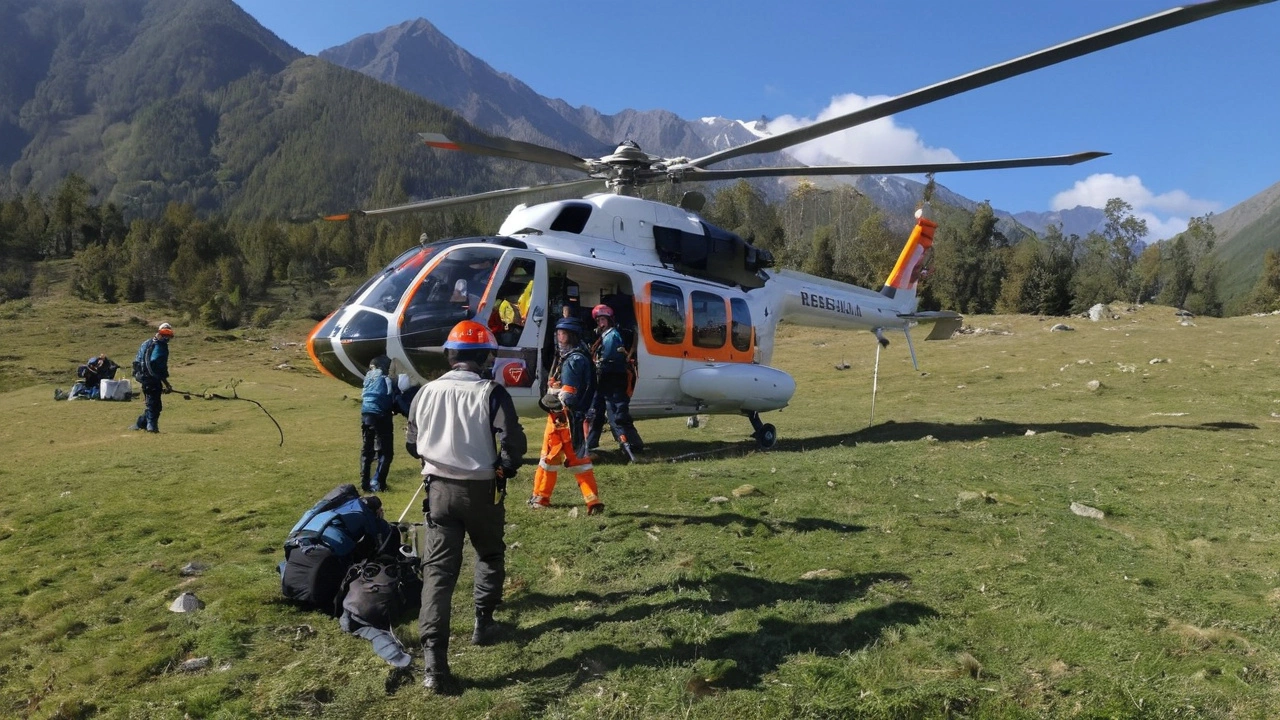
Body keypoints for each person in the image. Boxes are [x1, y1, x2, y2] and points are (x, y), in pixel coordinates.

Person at [404, 320, 526, 693]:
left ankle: (434, 666)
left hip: (438, 491)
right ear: (485, 356)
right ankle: (483, 622)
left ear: (450, 354)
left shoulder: (424, 392)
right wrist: (506, 465)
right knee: (489, 553)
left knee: (438, 575)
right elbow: (513, 442)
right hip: (482, 490)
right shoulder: (491, 392)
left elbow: (412, 444)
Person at [529, 317, 603, 514]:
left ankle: (540, 497)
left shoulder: (573, 360)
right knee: (580, 460)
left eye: (562, 334)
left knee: (549, 459)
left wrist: (551, 394)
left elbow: (567, 395)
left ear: (570, 336)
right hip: (576, 418)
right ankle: (592, 500)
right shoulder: (582, 355)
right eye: (558, 334)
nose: (559, 338)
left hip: (561, 418)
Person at [584, 304, 644, 458]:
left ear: (609, 320)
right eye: (598, 320)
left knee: (617, 414)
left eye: (602, 319)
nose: (600, 323)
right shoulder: (602, 337)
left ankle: (631, 444)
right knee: (595, 412)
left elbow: (608, 359)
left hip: (612, 380)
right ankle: (589, 445)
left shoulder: (611, 336)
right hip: (603, 380)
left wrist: (596, 365)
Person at [360, 356, 399, 493]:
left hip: (366, 414)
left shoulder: (368, 377)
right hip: (382, 415)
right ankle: (378, 482)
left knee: (367, 450)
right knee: (386, 452)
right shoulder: (387, 378)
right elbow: (393, 396)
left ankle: (364, 483)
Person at [131, 323, 174, 432]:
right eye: (165, 334)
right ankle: (151, 427)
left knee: (154, 403)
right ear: (159, 333)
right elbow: (157, 365)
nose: (166, 337)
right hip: (150, 378)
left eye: (169, 335)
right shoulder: (160, 346)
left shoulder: (146, 343)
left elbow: (137, 361)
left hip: (145, 378)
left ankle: (140, 423)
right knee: (153, 403)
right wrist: (164, 381)